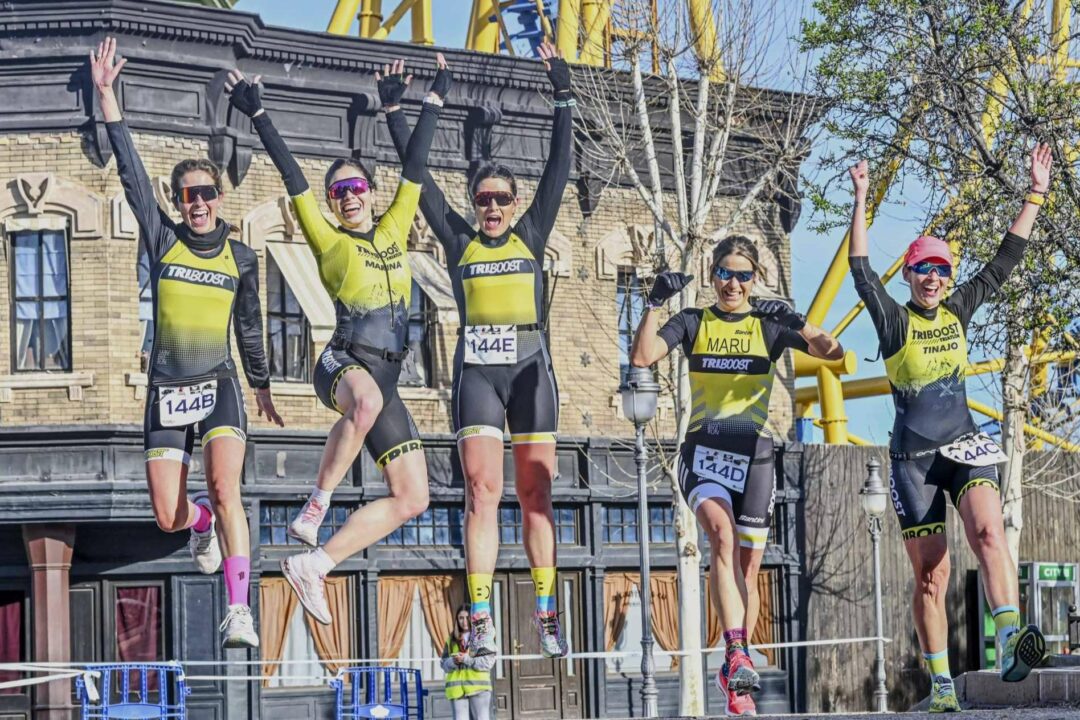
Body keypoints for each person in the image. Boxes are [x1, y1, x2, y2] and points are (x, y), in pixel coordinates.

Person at [226, 57, 447, 623]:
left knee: (413, 497)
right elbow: (293, 180)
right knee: (366, 401)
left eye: (355, 187)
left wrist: (427, 101)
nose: (347, 196)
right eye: (338, 192)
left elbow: (416, 166)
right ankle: (315, 506)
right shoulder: (328, 239)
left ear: (371, 193)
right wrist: (259, 115)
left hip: (388, 378)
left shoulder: (395, 226)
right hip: (342, 362)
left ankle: (316, 564)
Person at [381, 40, 573, 659]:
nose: (491, 207)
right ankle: (482, 616)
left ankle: (547, 611)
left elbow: (559, 167)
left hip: (530, 369)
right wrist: (396, 112)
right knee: (482, 492)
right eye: (483, 199)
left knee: (536, 493)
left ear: (515, 205)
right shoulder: (460, 240)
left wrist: (563, 92)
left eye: (501, 199)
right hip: (479, 375)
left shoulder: (532, 233)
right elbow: (419, 182)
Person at [92, 37, 284, 648]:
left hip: (218, 383)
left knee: (228, 489)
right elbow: (131, 175)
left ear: (219, 199)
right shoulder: (164, 239)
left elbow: (249, 324)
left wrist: (261, 384)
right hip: (168, 388)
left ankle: (239, 609)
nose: (197, 203)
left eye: (206, 193)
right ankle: (200, 524)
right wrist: (107, 98)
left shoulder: (241, 256)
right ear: (178, 203)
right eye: (188, 195)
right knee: (168, 515)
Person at [847, 146, 1052, 712]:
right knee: (932, 577)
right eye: (924, 269)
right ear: (909, 274)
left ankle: (1009, 637)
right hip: (914, 462)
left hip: (964, 445)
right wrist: (861, 198)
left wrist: (1036, 193)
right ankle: (941, 685)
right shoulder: (894, 321)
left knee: (989, 532)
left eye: (942, 269)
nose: (934, 278)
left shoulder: (959, 309)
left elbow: (1004, 261)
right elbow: (860, 271)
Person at [630, 238, 844, 717]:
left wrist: (798, 323)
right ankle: (736, 652)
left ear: (755, 280)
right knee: (721, 537)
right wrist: (653, 303)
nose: (733, 284)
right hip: (703, 451)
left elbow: (835, 354)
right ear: (712, 276)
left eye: (743, 275)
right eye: (725, 273)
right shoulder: (695, 321)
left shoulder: (769, 325)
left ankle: (735, 677)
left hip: (756, 457)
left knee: (748, 569)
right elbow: (643, 356)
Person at [441, 605, 495, 720]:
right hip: (457, 690)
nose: (464, 621)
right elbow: (443, 664)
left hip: (479, 688)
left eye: (467, 617)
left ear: (472, 618)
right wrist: (453, 661)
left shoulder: (482, 637)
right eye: (461, 618)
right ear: (457, 619)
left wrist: (466, 659)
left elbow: (488, 662)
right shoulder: (451, 640)